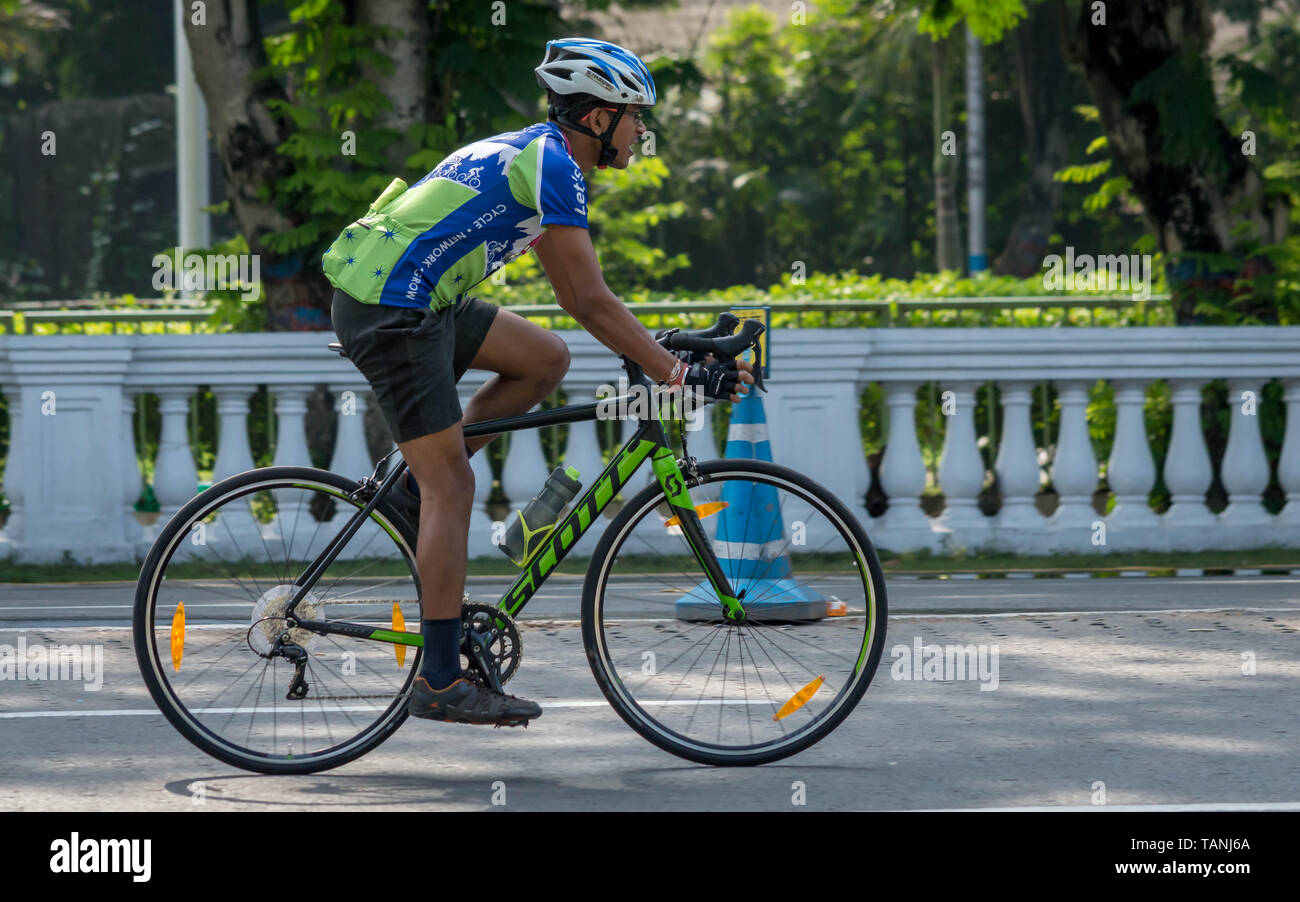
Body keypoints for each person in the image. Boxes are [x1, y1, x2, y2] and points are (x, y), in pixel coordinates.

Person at [324, 38, 753, 727]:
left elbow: (588, 308)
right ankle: (438, 680)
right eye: (634, 115)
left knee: (546, 359)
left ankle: (411, 491)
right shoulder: (554, 165)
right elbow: (588, 299)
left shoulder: (538, 152)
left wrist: (663, 350)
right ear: (596, 120)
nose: (643, 131)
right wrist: (672, 371)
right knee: (452, 488)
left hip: (415, 297)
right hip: (392, 306)